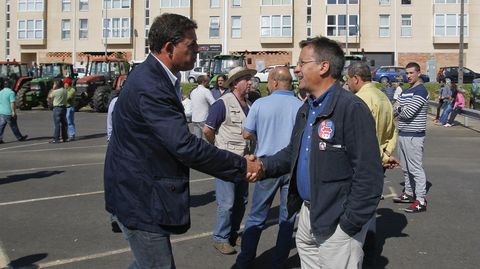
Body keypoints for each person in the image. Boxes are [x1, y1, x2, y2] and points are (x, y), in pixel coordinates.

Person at [104, 13, 261, 269]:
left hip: (139, 192)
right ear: (169, 48)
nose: (198, 50)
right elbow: (184, 145)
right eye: (191, 45)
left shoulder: (154, 77)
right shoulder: (151, 84)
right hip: (141, 198)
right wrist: (242, 166)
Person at [251, 36, 384, 268]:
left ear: (324, 67)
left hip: (337, 221)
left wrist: (349, 224)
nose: (297, 69)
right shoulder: (307, 107)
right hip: (308, 214)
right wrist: (263, 166)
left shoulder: (351, 109)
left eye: (302, 63)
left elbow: (369, 174)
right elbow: (293, 152)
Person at [235, 66, 302, 269]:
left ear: (273, 82)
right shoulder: (301, 106)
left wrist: (261, 134)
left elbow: (246, 134)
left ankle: (245, 261)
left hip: (265, 165)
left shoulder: (260, 104)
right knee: (287, 219)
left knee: (256, 216)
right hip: (291, 167)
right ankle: (279, 263)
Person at [346, 62, 400, 266]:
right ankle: (369, 251)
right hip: (379, 162)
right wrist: (386, 154)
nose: (347, 83)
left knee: (355, 213)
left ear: (356, 79)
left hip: (361, 163)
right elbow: (393, 131)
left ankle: (358, 258)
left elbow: (360, 137)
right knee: (370, 210)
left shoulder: (359, 100)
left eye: (348, 79)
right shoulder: (383, 96)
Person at [203, 66, 256, 255]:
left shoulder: (249, 105)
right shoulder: (222, 103)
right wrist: (218, 148)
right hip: (225, 161)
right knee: (226, 202)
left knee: (241, 200)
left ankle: (232, 233)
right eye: (246, 79)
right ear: (235, 83)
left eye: (250, 79)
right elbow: (207, 130)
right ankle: (220, 237)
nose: (250, 82)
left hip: (243, 161)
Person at [393, 62, 429, 213]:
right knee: (406, 168)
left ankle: (421, 199)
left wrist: (400, 108)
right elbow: (394, 110)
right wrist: (401, 109)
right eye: (407, 73)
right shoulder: (405, 91)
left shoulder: (421, 91)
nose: (408, 76)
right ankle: (408, 193)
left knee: (415, 168)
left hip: (414, 136)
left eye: (411, 73)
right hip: (402, 133)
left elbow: (407, 113)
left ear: (418, 73)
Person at [0, 78, 28, 144]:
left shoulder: (0, 92)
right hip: (8, 112)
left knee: (1, 126)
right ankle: (19, 137)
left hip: (1, 112)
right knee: (13, 126)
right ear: (10, 85)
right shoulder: (11, 92)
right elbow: (12, 103)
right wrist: (13, 112)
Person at [190, 75, 215, 139]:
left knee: (198, 139)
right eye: (208, 81)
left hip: (194, 118)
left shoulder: (193, 91)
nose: (208, 83)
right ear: (204, 82)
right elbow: (214, 103)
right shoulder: (206, 91)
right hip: (204, 118)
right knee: (208, 139)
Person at [47, 79, 68, 143]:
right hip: (64, 108)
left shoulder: (55, 91)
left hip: (57, 108)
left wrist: (52, 89)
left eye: (54, 84)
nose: (53, 85)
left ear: (57, 84)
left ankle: (56, 138)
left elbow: (49, 97)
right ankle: (64, 137)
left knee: (57, 124)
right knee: (64, 123)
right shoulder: (65, 91)